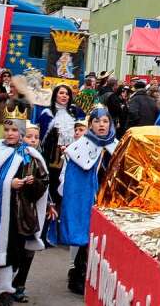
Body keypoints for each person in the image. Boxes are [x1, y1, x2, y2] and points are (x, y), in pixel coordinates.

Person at [0, 114, 50, 306]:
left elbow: (43, 184)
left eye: (14, 130)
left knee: (16, 254)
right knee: (3, 252)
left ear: (21, 133)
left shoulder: (30, 156)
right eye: (7, 130)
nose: (10, 133)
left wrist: (32, 183)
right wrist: (8, 184)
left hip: (21, 215)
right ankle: (2, 294)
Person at [49, 108, 118, 295]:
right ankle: (78, 274)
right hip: (88, 199)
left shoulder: (117, 147)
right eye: (97, 121)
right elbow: (75, 181)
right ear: (90, 125)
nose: (101, 125)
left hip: (109, 201)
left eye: (105, 121)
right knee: (85, 236)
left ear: (110, 124)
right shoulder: (80, 147)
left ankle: (100, 275)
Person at [10, 123, 44, 304]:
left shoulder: (38, 159)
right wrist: (14, 183)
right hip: (13, 211)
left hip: (30, 213)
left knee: (29, 250)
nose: (33, 140)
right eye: (29, 136)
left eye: (36, 137)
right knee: (12, 250)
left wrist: (36, 183)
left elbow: (45, 183)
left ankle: (19, 285)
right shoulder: (13, 156)